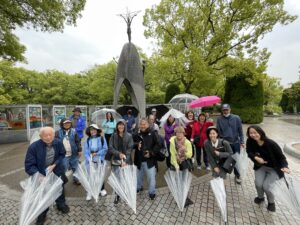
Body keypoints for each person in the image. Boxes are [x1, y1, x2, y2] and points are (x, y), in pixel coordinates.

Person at [25, 127, 69, 225]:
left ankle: (61, 204)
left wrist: (54, 164)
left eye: (50, 135)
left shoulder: (58, 142)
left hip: (56, 170)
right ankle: (42, 216)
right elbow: (29, 165)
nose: (48, 137)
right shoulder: (33, 147)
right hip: (41, 174)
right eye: (45, 135)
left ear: (54, 135)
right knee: (43, 195)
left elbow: (62, 154)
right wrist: (38, 175)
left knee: (59, 188)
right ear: (41, 136)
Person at [246, 125, 289, 212]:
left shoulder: (271, 143)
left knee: (267, 186)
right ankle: (261, 197)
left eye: (255, 132)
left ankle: (271, 202)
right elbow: (249, 152)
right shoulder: (250, 141)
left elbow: (282, 157)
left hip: (274, 169)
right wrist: (256, 158)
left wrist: (285, 166)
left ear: (260, 132)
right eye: (251, 133)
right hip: (261, 167)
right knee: (258, 184)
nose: (253, 135)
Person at [216, 104, 244, 184]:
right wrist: (220, 142)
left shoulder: (236, 118)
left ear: (230, 109)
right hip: (225, 143)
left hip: (236, 143)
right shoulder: (219, 119)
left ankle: (237, 175)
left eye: (227, 109)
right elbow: (218, 131)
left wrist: (242, 141)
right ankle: (222, 174)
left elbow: (240, 131)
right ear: (222, 110)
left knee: (236, 160)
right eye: (224, 110)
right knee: (224, 158)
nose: (225, 111)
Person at [133, 118, 160, 200]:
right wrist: (136, 144)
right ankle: (139, 187)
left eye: (144, 124)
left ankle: (152, 192)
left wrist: (151, 153)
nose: (143, 126)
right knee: (138, 177)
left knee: (151, 178)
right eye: (141, 124)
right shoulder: (136, 134)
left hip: (150, 161)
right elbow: (131, 143)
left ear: (148, 125)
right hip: (139, 160)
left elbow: (158, 145)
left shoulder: (153, 133)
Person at [108, 120, 134, 204]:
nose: (120, 127)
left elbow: (130, 149)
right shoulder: (113, 135)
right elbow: (110, 148)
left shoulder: (129, 136)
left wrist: (125, 160)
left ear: (125, 126)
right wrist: (119, 154)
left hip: (126, 161)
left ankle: (126, 194)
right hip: (116, 161)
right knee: (117, 179)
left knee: (126, 179)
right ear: (117, 126)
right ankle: (117, 195)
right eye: (119, 125)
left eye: (122, 125)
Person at [169, 126, 194, 207]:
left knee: (184, 181)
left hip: (185, 163)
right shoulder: (173, 141)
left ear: (184, 133)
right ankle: (180, 197)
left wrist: (184, 152)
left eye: (181, 132)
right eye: (177, 132)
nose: (179, 134)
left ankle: (185, 198)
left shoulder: (187, 142)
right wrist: (176, 165)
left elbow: (190, 155)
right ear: (175, 133)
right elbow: (172, 154)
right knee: (178, 181)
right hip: (176, 163)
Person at [84, 124, 108, 200]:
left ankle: (102, 189)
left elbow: (105, 149)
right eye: (91, 130)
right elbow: (86, 151)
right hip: (90, 161)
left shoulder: (101, 138)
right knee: (91, 176)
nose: (93, 131)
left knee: (100, 175)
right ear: (89, 131)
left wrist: (97, 153)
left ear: (97, 131)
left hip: (99, 159)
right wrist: (89, 159)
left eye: (94, 129)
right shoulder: (88, 140)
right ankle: (90, 191)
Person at [55, 118, 82, 185]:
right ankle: (61, 182)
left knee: (76, 168)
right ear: (62, 124)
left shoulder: (74, 131)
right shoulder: (58, 133)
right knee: (63, 168)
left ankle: (76, 179)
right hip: (64, 155)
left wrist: (79, 150)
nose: (67, 124)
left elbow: (78, 141)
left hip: (73, 154)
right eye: (65, 123)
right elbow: (55, 144)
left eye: (68, 123)